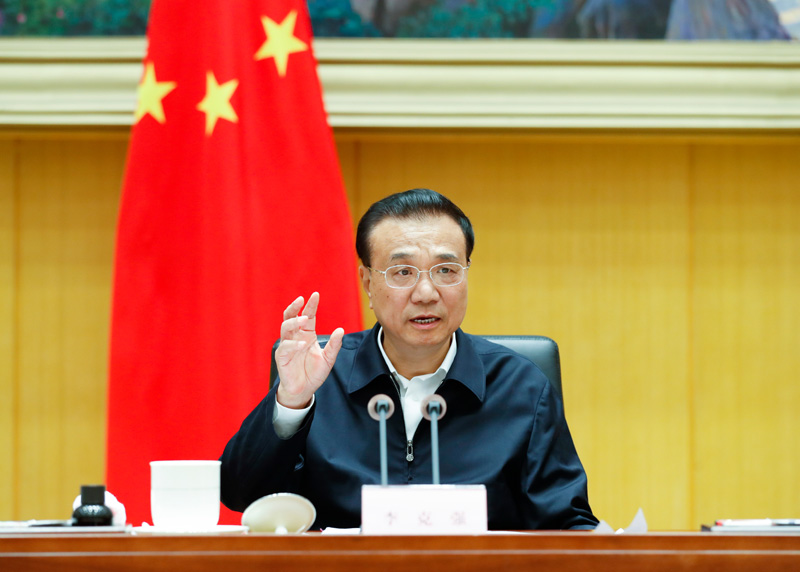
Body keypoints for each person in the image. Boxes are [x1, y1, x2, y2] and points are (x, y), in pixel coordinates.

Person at [220, 188, 598, 530]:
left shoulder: (520, 386)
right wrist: (291, 402)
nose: (426, 292)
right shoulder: (322, 378)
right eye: (402, 272)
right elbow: (241, 496)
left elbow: (567, 524)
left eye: (446, 270)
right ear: (368, 283)